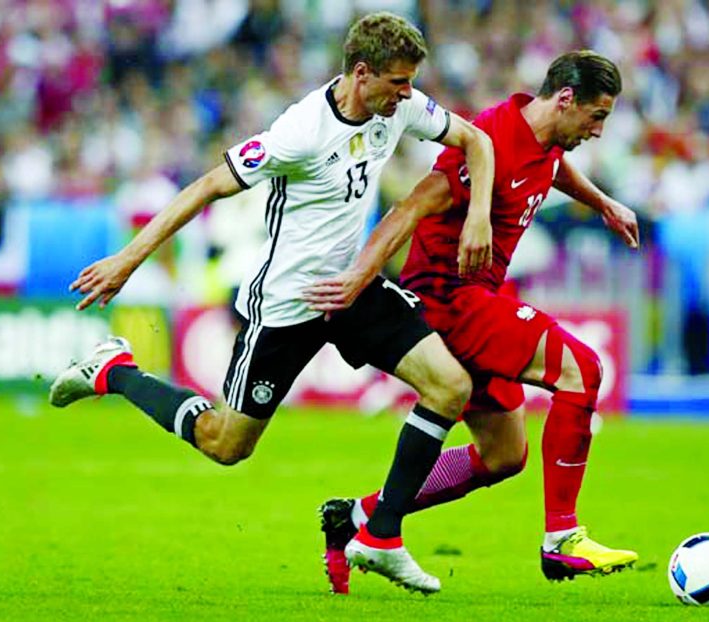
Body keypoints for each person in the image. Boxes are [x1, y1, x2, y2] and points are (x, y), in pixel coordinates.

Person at [49, 12, 496, 595]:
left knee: (450, 386)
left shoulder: (402, 107)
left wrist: (479, 215)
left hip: (351, 289)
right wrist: (129, 259)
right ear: (362, 74)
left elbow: (476, 140)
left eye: (412, 82)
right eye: (398, 82)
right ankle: (116, 372)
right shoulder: (299, 133)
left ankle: (380, 534)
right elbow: (208, 185)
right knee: (226, 444)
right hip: (285, 305)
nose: (409, 94)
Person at [303, 50, 640, 594]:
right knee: (582, 369)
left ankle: (362, 517)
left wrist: (601, 202)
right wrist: (358, 279)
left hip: (477, 296)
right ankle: (563, 538)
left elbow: (551, 166)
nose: (599, 130)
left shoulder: (547, 135)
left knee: (504, 455)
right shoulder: (490, 141)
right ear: (566, 99)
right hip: (448, 297)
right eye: (597, 116)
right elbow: (411, 207)